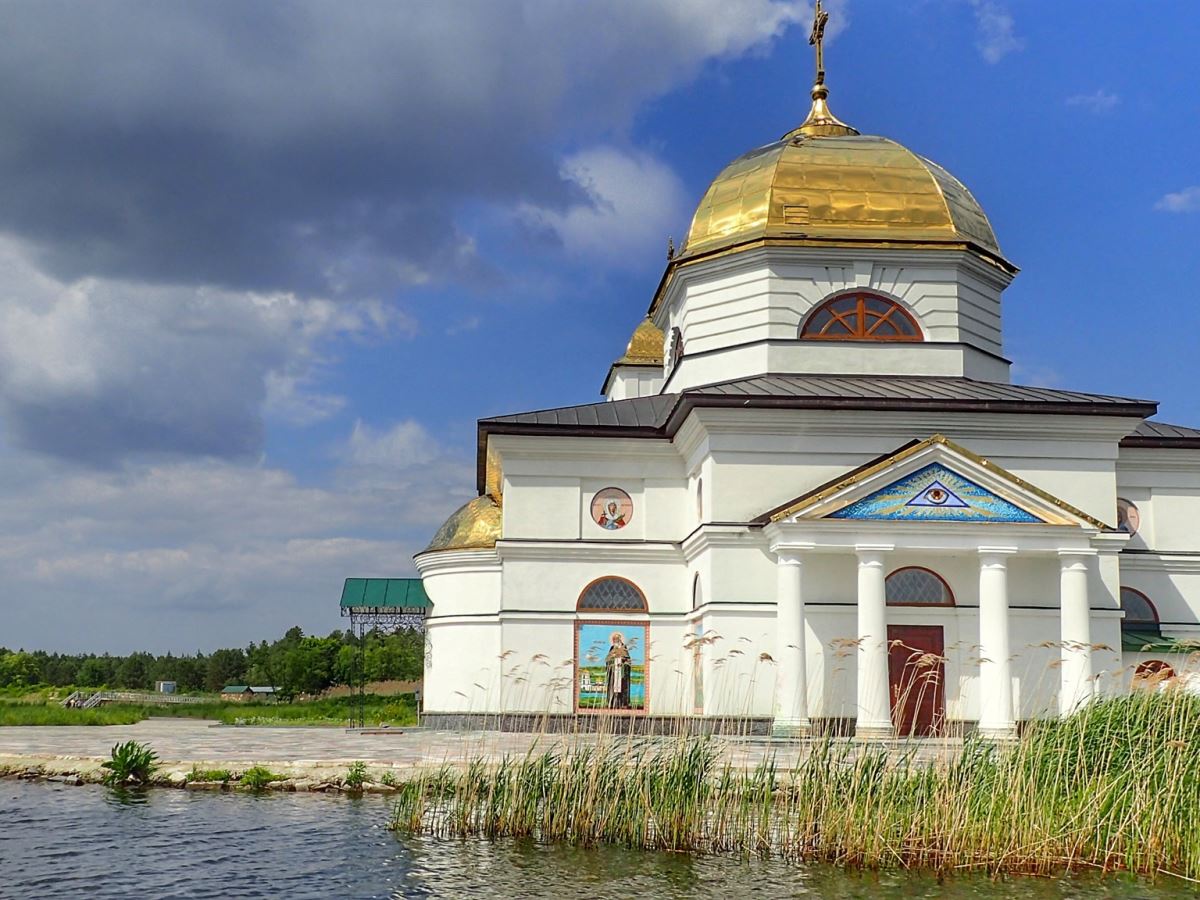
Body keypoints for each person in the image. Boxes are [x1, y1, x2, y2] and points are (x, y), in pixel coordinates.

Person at [604, 632, 632, 709]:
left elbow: (628, 661)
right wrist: (612, 661)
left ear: (619, 639)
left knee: (622, 687)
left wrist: (623, 662)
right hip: (614, 672)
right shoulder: (612, 648)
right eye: (613, 639)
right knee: (613, 687)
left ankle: (623, 703)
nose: (614, 640)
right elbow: (607, 660)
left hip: (622, 673)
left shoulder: (624, 648)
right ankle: (612, 702)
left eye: (616, 639)